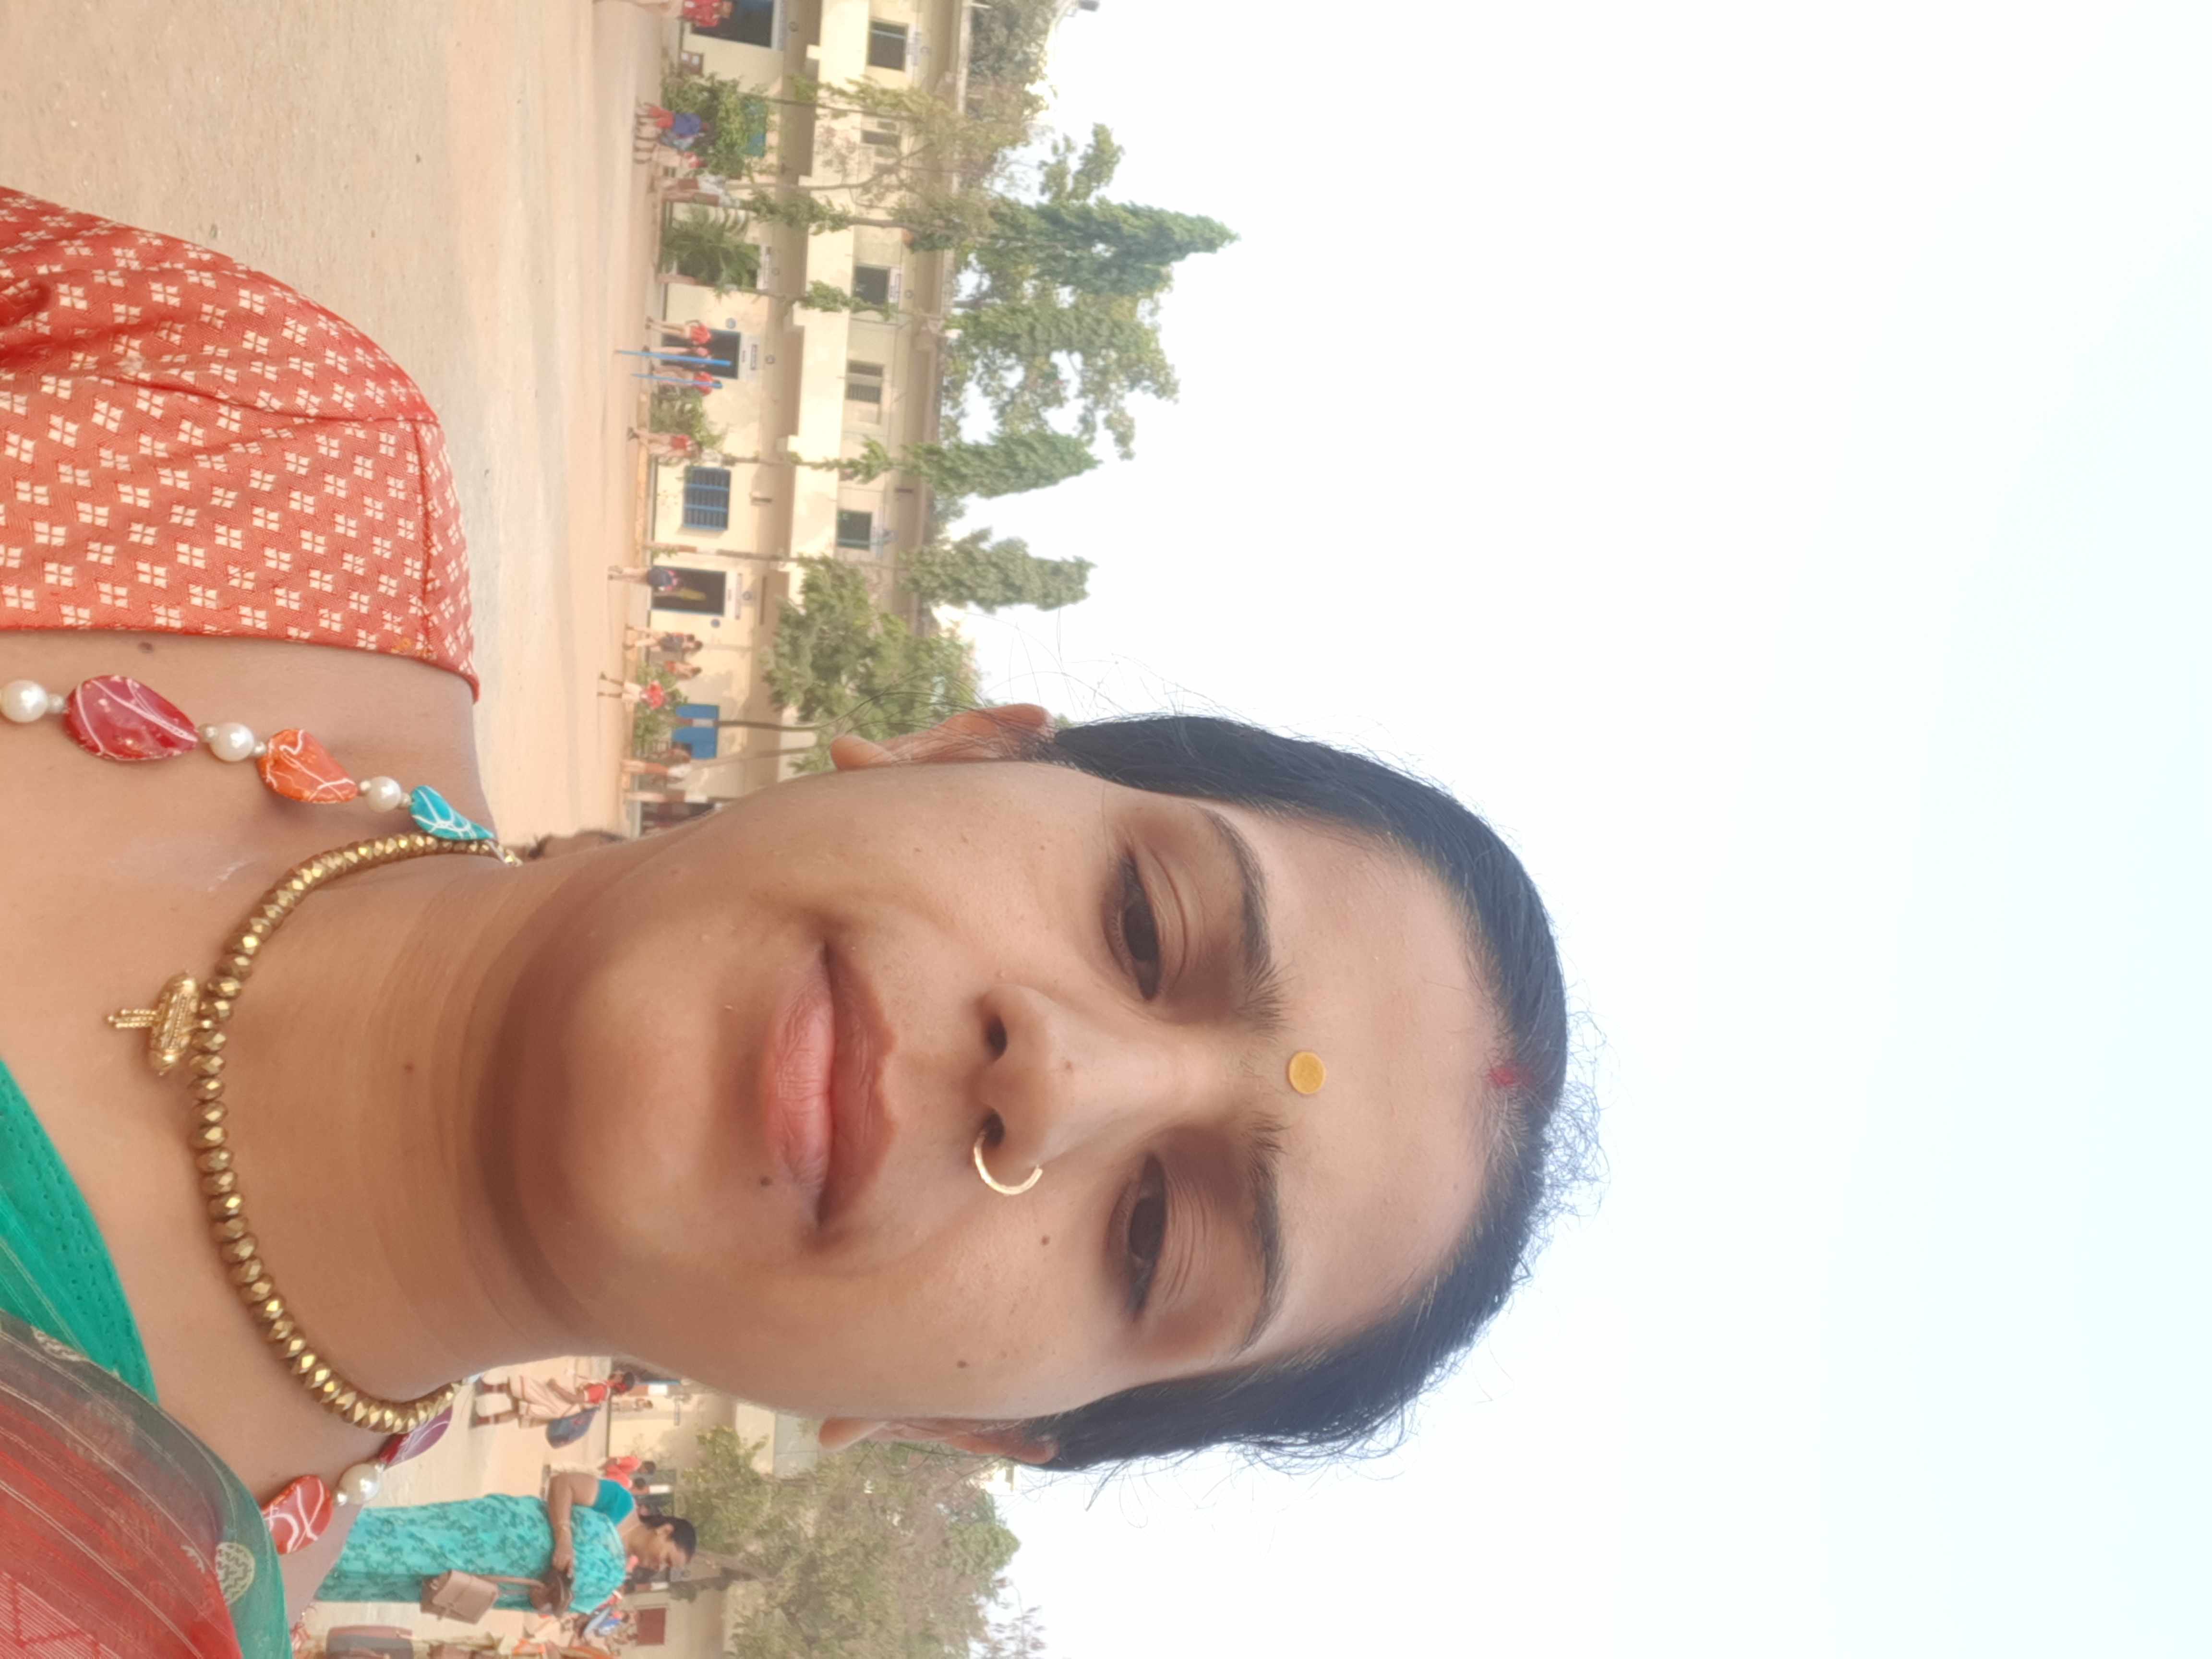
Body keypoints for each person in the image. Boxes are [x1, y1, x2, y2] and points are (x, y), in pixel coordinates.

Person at [0, 188, 1582, 1646]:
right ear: (964, 747)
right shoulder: (254, 438)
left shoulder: (113, 1610)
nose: (1059, 1077)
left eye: (1154, 1235)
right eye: (1145, 924)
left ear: (963, 1428)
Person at [317, 1471, 692, 1615]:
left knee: (413, 1582)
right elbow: (563, 1484)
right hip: (489, 1530)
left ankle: (316, 1579)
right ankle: (318, 1536)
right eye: (668, 1560)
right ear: (664, 1531)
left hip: (492, 1576)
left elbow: (555, 1605)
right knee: (410, 1536)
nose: (658, 1568)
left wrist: (547, 1597)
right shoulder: (620, 1504)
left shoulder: (609, 1580)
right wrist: (564, 1539)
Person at [470, 1369, 636, 1429]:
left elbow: (576, 1398)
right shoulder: (605, 1391)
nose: (618, 1372)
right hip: (561, 1408)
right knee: (519, 1411)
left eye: (621, 1374)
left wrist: (556, 1387)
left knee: (524, 1387)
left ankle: (485, 1389)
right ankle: (481, 1420)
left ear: (620, 1380)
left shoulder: (602, 1390)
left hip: (560, 1403)